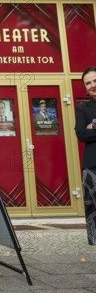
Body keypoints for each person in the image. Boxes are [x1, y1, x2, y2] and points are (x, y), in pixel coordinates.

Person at [75, 66, 96, 245]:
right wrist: (87, 128)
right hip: (92, 167)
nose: (92, 85)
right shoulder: (83, 108)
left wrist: (94, 126)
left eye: (95, 81)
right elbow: (81, 134)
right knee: (93, 209)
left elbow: (88, 131)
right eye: (88, 83)